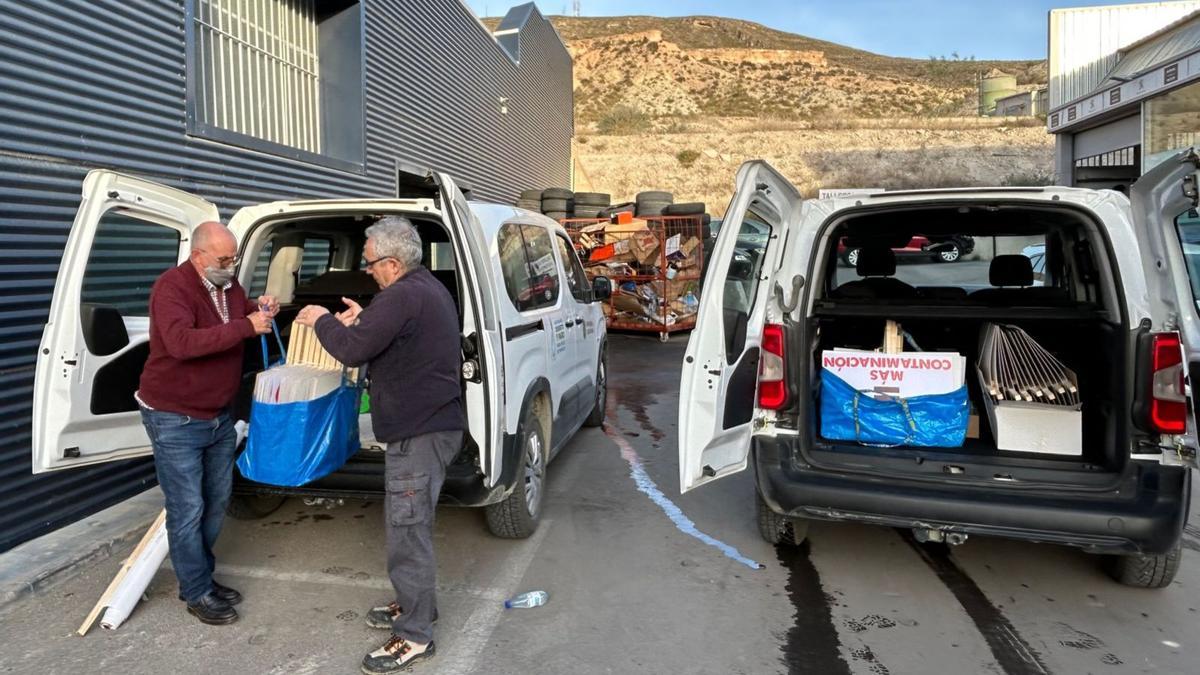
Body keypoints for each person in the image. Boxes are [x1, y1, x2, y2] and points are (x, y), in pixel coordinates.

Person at [294, 216, 463, 674]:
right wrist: (362, 321)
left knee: (408, 534)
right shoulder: (424, 288)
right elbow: (384, 337)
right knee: (410, 526)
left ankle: (414, 635)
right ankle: (416, 606)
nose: (367, 271)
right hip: (432, 425)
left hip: (419, 432)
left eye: (369, 264)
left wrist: (322, 319)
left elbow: (351, 350)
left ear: (392, 262)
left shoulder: (403, 295)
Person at [135, 221, 278, 625]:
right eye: (223, 259)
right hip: (174, 416)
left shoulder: (228, 286)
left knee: (216, 502)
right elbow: (181, 343)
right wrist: (243, 327)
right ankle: (196, 590)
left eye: (233, 258)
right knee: (187, 507)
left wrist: (260, 309)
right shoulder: (172, 287)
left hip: (217, 414)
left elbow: (241, 315)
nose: (231, 266)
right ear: (198, 256)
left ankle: (202, 578)